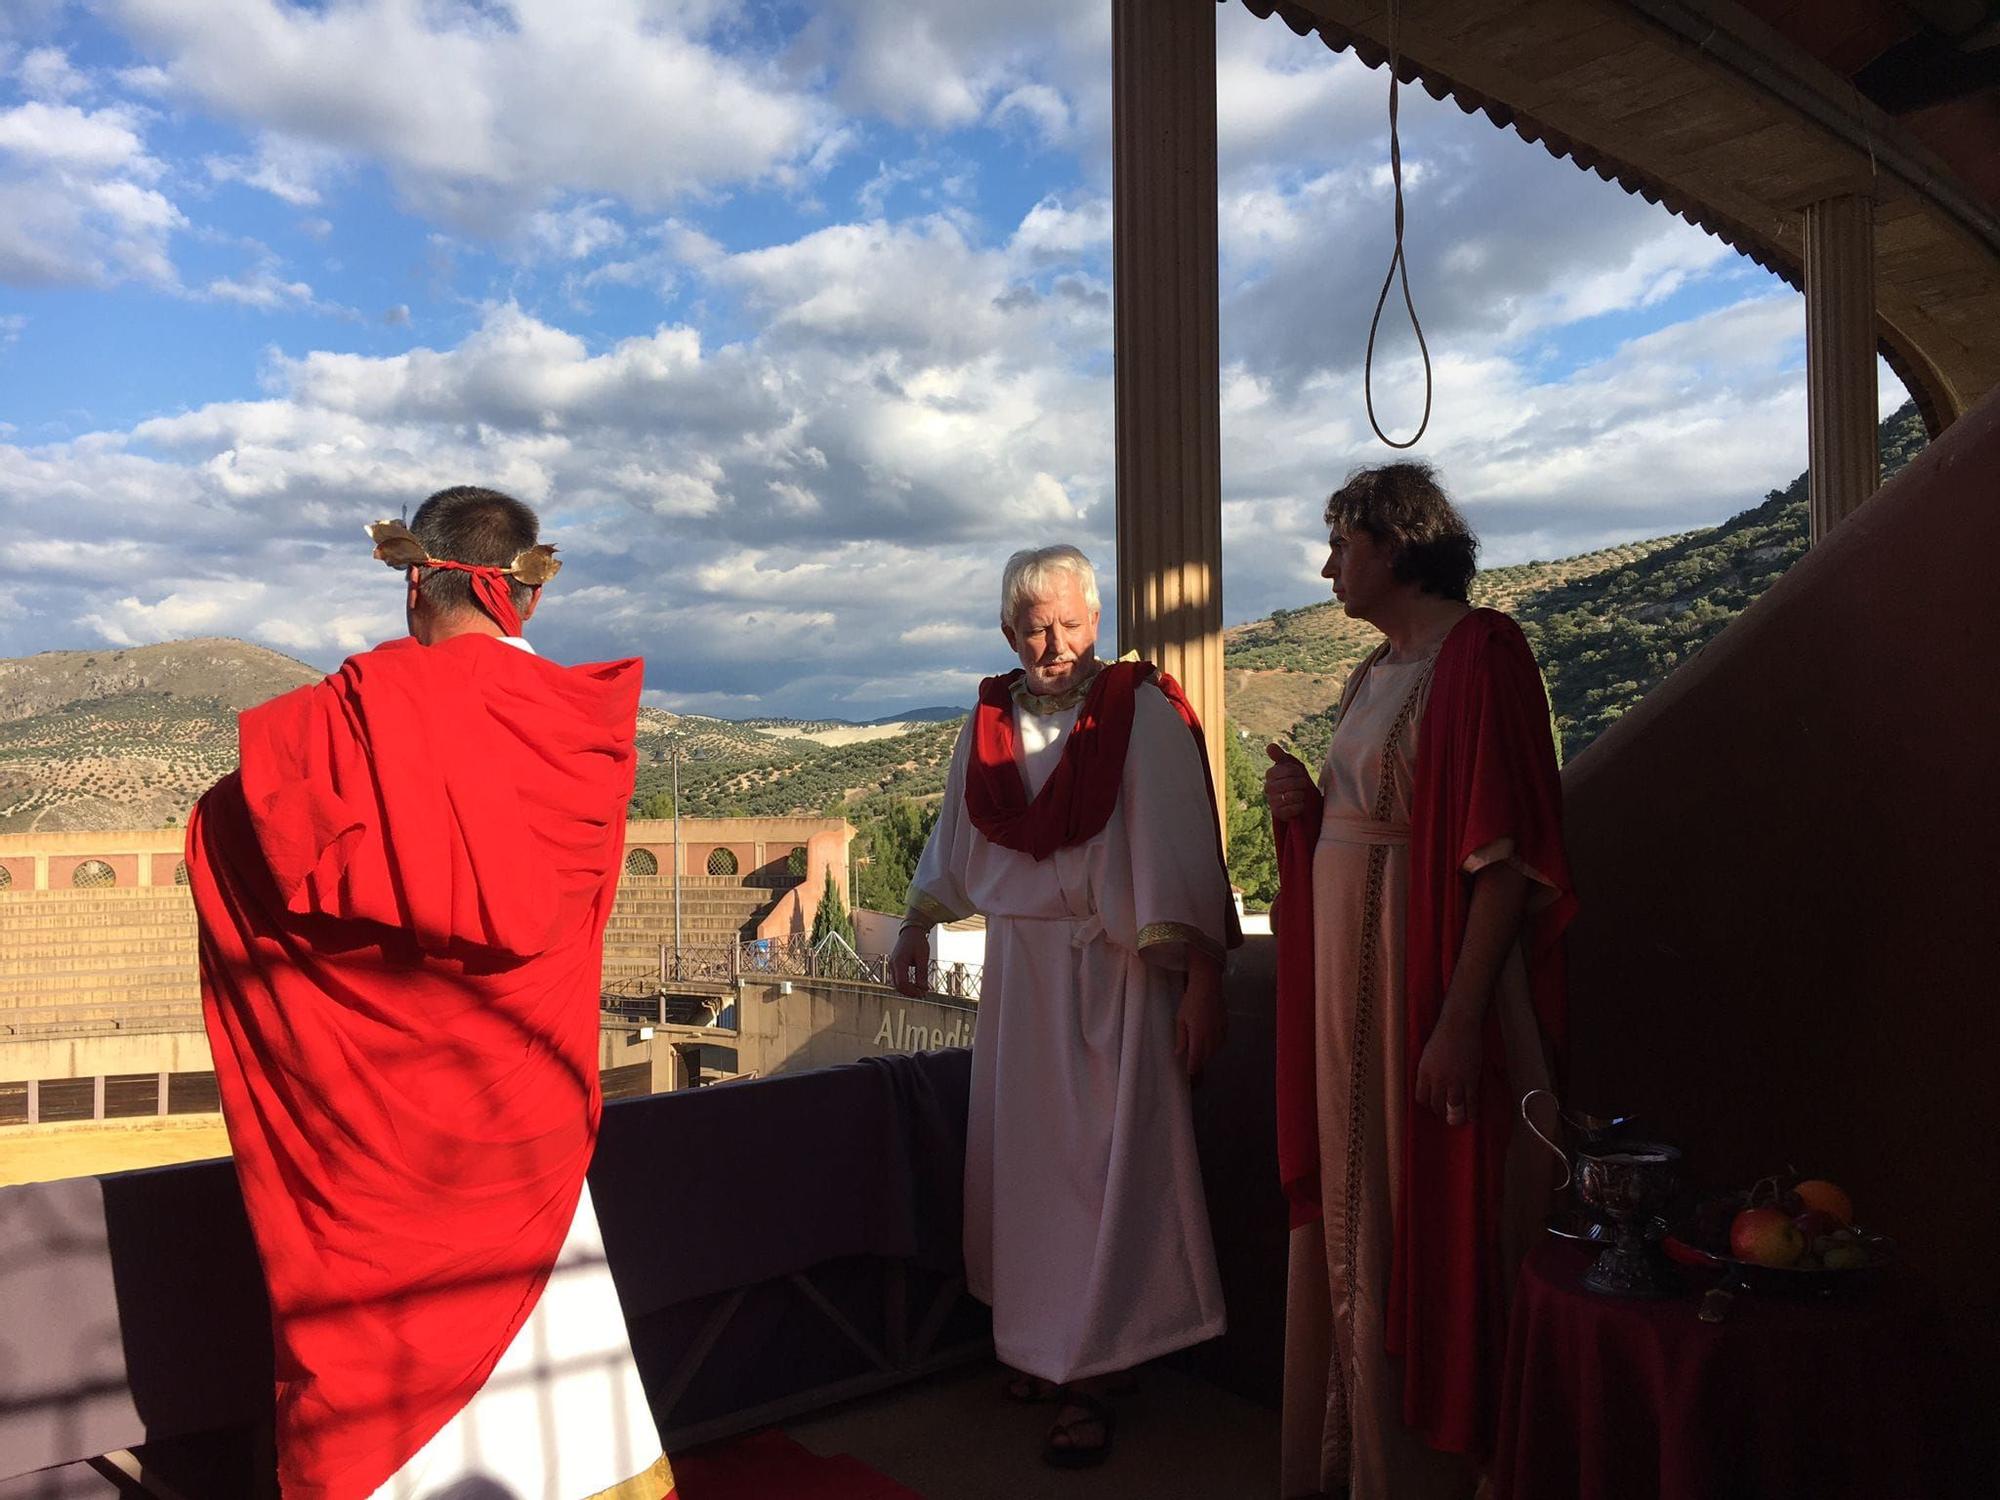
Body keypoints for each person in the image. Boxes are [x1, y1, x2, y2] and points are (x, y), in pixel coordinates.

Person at [186, 486, 672, 1500]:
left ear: (416, 581)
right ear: (524, 597)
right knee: (560, 1390)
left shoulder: (345, 725)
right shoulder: (584, 729)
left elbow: (232, 832)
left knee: (383, 1389)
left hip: (379, 1157)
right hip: (526, 1131)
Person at [887, 544, 1239, 1469]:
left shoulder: (1141, 713)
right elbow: (953, 837)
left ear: (1099, 620)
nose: (1055, 644)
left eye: (1072, 625)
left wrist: (1200, 981)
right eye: (1036, 627)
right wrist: (918, 927)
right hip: (1021, 979)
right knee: (1030, 1168)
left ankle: (1092, 1371)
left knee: (1101, 1172)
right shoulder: (989, 720)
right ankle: (1052, 1347)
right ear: (1009, 631)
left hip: (1115, 975)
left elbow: (1184, 847)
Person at [1264, 463, 1573, 1500]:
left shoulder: (1482, 658)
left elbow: (1505, 859)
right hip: (1352, 993)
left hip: (1421, 979)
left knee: (1426, 1214)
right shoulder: (1366, 676)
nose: (1326, 568)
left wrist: (1456, 1020)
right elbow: (1367, 825)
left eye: (1340, 546)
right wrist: (1303, 809)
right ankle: (1363, 1468)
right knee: (1359, 1214)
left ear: (1393, 546)